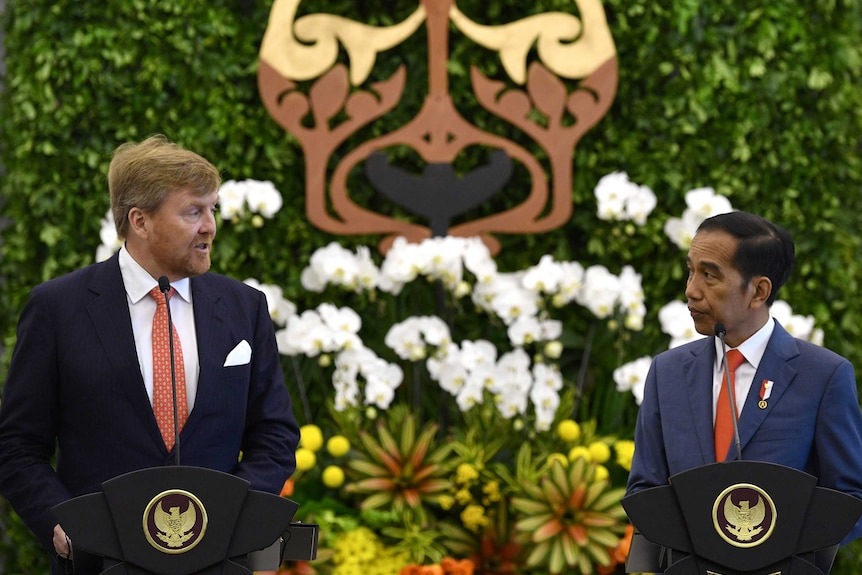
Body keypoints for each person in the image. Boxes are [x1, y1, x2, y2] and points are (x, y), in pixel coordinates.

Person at [0, 135, 301, 573]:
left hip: (219, 563)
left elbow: (274, 433)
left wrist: (234, 516)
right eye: (192, 211)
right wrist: (61, 525)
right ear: (140, 221)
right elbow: (17, 446)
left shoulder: (244, 306)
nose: (209, 226)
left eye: (212, 209)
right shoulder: (57, 308)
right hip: (99, 564)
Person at [627, 210, 862, 543]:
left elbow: (850, 499)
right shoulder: (667, 373)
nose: (691, 291)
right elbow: (643, 490)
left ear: (759, 292)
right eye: (691, 271)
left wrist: (771, 551)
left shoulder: (823, 377)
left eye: (709, 275)